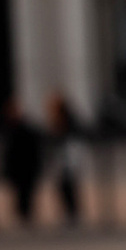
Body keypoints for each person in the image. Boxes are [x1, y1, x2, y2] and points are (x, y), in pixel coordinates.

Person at [0, 98, 44, 228]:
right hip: (17, 166)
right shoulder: (8, 129)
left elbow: (34, 148)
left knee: (26, 192)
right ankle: (23, 214)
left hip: (27, 165)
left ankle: (26, 214)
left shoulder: (24, 129)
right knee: (20, 192)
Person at [45, 92, 88, 227]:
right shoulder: (62, 121)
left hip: (68, 155)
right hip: (65, 155)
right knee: (65, 186)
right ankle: (70, 212)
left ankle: (72, 213)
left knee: (68, 185)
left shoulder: (67, 121)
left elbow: (68, 140)